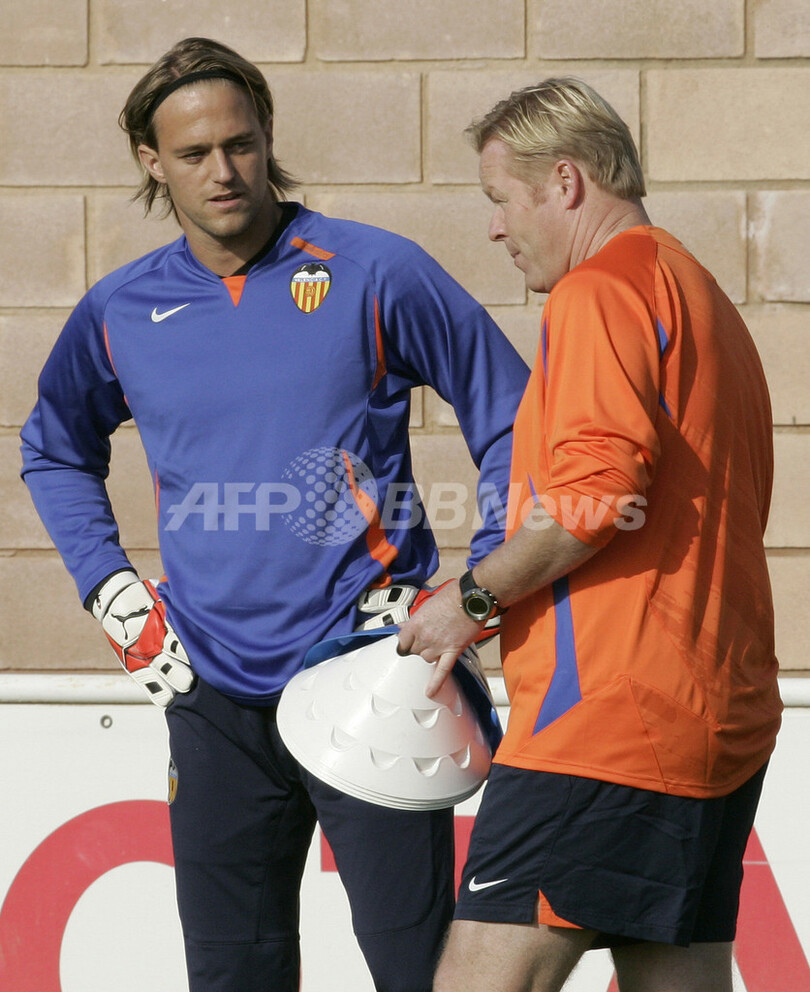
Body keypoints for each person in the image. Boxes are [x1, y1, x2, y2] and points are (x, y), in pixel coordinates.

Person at [19, 38, 529, 992]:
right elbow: (53, 449)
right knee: (232, 978)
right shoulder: (120, 309)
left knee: (421, 974)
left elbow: (513, 414)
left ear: (266, 137)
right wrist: (108, 588)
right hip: (207, 693)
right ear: (151, 162)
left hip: (371, 672)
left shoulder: (375, 270)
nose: (224, 171)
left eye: (241, 144)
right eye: (194, 153)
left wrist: (480, 585)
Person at [397, 78, 783, 992]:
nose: (496, 228)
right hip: (715, 719)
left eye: (501, 199)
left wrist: (469, 601)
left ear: (565, 182)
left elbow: (597, 498)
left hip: (604, 723)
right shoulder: (701, 297)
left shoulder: (597, 292)